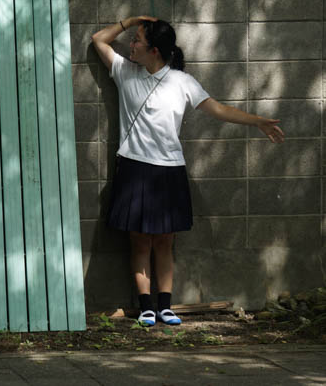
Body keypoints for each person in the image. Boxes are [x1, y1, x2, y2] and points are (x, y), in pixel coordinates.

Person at [91, 16, 284, 326]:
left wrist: (257, 121)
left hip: (169, 170)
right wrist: (133, 21)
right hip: (134, 167)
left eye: (137, 40)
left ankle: (165, 305)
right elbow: (99, 40)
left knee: (165, 240)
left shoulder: (182, 81)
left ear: (154, 50)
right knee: (140, 241)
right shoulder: (125, 71)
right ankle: (145, 307)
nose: (131, 44)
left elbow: (219, 109)